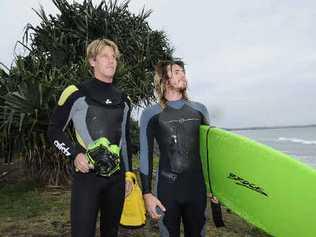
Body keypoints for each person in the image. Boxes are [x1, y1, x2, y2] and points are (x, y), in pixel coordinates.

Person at [48, 38, 132, 237]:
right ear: (92, 61)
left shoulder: (125, 99)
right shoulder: (76, 93)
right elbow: (53, 130)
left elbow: (125, 142)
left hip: (116, 180)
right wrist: (75, 154)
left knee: (111, 233)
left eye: (114, 57)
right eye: (105, 56)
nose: (111, 61)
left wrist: (129, 175)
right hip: (87, 178)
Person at [139, 60, 223, 237]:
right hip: (167, 191)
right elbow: (145, 155)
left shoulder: (200, 110)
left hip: (196, 189)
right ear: (164, 79)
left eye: (183, 71)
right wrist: (147, 193)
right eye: (177, 72)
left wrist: (216, 188)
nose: (183, 75)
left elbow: (209, 153)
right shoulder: (151, 114)